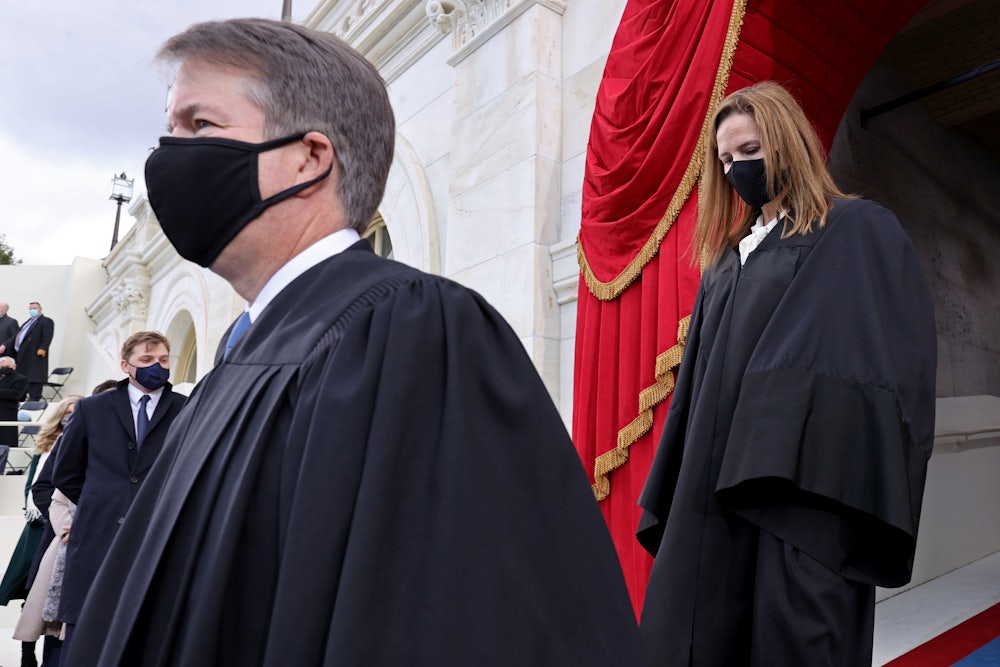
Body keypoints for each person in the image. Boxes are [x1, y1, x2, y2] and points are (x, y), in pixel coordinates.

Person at [66, 18, 642, 667]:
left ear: (310, 158)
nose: (167, 159)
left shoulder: (415, 335)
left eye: (200, 126)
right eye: (168, 130)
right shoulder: (238, 353)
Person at [635, 81, 937, 666]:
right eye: (725, 160)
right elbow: (695, 392)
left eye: (749, 151)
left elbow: (879, 368)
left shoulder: (851, 230)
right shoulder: (725, 262)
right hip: (713, 495)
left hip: (797, 502)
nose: (736, 168)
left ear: (788, 142)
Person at [50, 332, 186, 661]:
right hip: (98, 536)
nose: (157, 366)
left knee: (149, 629)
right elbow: (65, 472)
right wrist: (101, 502)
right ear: (126, 365)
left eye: (164, 360)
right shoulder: (93, 409)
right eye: (147, 360)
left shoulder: (187, 409)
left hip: (159, 534)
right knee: (86, 633)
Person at [6, 396, 81, 667]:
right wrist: (51, 513)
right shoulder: (48, 445)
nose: (71, 418)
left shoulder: (81, 443)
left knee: (44, 594)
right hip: (41, 527)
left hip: (55, 525)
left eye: (77, 413)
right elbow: (35, 486)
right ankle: (28, 650)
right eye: (68, 413)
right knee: (33, 593)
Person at [0, 303, 54, 402]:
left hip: (34, 356)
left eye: (34, 308)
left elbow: (47, 336)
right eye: (30, 308)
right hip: (22, 357)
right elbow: (16, 336)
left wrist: (43, 348)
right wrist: (5, 345)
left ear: (40, 309)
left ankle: (32, 406)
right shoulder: (27, 322)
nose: (32, 310)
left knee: (34, 386)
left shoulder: (46, 321)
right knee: (21, 388)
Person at [0, 356, 28, 457]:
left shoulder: (20, 379)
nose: (4, 368)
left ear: (14, 366)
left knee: (6, 441)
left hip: (7, 413)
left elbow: (15, 394)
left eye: (7, 366)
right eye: (1, 366)